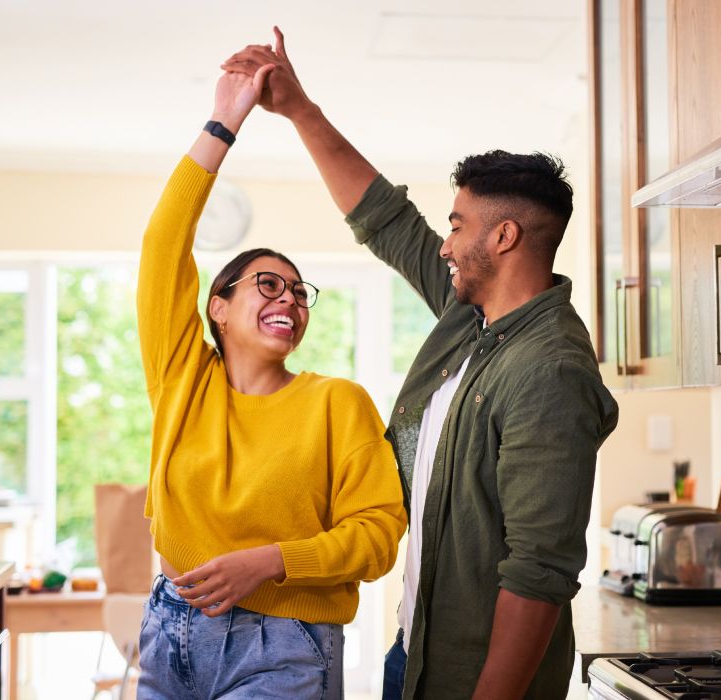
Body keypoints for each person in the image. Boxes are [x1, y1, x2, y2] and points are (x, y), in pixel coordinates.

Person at [222, 29, 620, 700]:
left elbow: (539, 573)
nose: (445, 244)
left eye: (458, 225)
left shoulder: (548, 371)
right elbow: (386, 219)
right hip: (416, 654)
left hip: (474, 682)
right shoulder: (474, 319)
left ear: (503, 237)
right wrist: (297, 108)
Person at [135, 63, 406, 700]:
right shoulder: (182, 381)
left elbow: (378, 535)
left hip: (285, 640)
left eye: (297, 290)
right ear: (218, 308)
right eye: (267, 283)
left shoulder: (337, 403)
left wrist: (270, 561)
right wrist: (224, 122)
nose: (289, 297)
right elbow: (161, 247)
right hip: (170, 628)